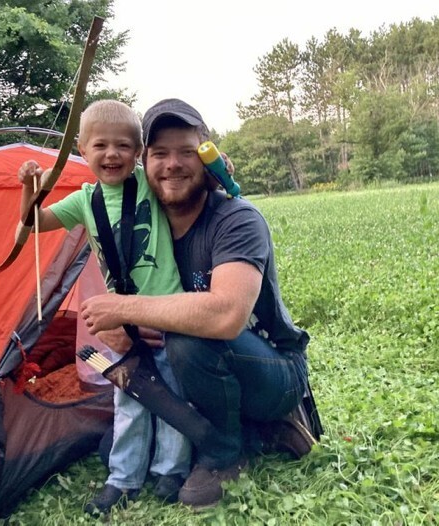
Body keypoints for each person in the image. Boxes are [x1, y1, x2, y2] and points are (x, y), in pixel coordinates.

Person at [80, 98, 318, 509]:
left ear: (207, 157)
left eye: (187, 151)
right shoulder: (139, 221)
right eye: (160, 153)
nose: (173, 164)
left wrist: (123, 310)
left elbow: (225, 316)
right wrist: (125, 332)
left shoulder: (236, 219)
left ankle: (227, 452)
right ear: (143, 162)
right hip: (191, 365)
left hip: (271, 368)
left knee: (188, 340)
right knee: (110, 449)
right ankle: (255, 431)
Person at [17, 100, 191, 515]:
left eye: (123, 146)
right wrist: (29, 185)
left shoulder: (151, 185)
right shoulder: (83, 201)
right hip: (122, 322)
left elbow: (185, 180)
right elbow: (32, 224)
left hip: (167, 312)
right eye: (100, 145)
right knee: (129, 399)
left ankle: (172, 468)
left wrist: (216, 166)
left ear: (139, 152)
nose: (112, 154)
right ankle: (124, 477)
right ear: (81, 148)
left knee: (173, 395)